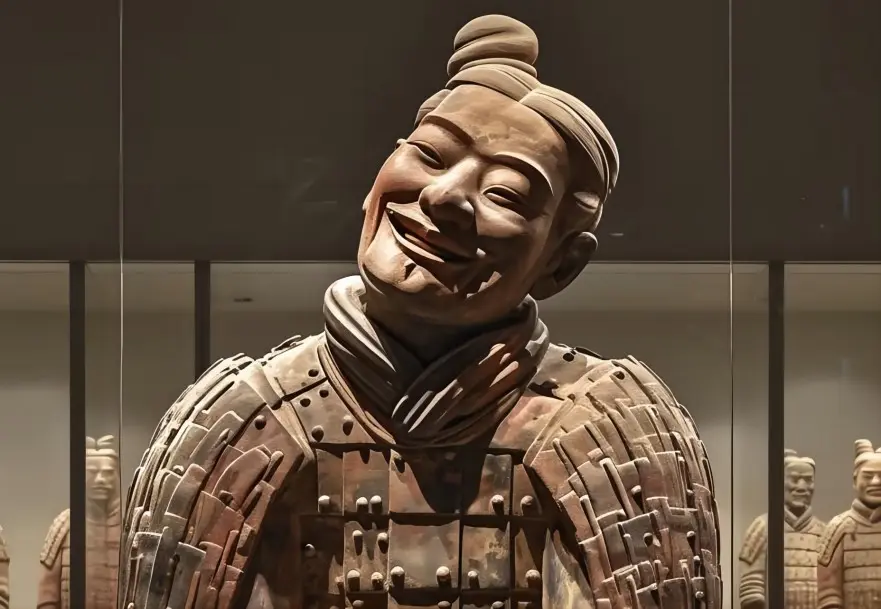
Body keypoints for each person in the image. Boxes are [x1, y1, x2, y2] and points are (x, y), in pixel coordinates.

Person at [118, 15, 721, 609]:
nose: (443, 196)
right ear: (375, 182)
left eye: (506, 194)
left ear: (559, 265)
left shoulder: (620, 432)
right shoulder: (235, 422)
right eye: (431, 155)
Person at [38, 436, 121, 609]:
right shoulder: (64, 526)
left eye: (107, 473)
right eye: (92, 472)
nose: (100, 480)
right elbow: (47, 598)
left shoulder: (129, 526)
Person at [739, 449, 825, 609]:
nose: (801, 486)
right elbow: (751, 590)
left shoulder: (824, 532)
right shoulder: (763, 527)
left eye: (808, 480)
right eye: (794, 479)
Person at [817, 440, 881, 609]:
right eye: (868, 476)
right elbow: (828, 591)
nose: (875, 482)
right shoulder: (838, 528)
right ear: (854, 480)